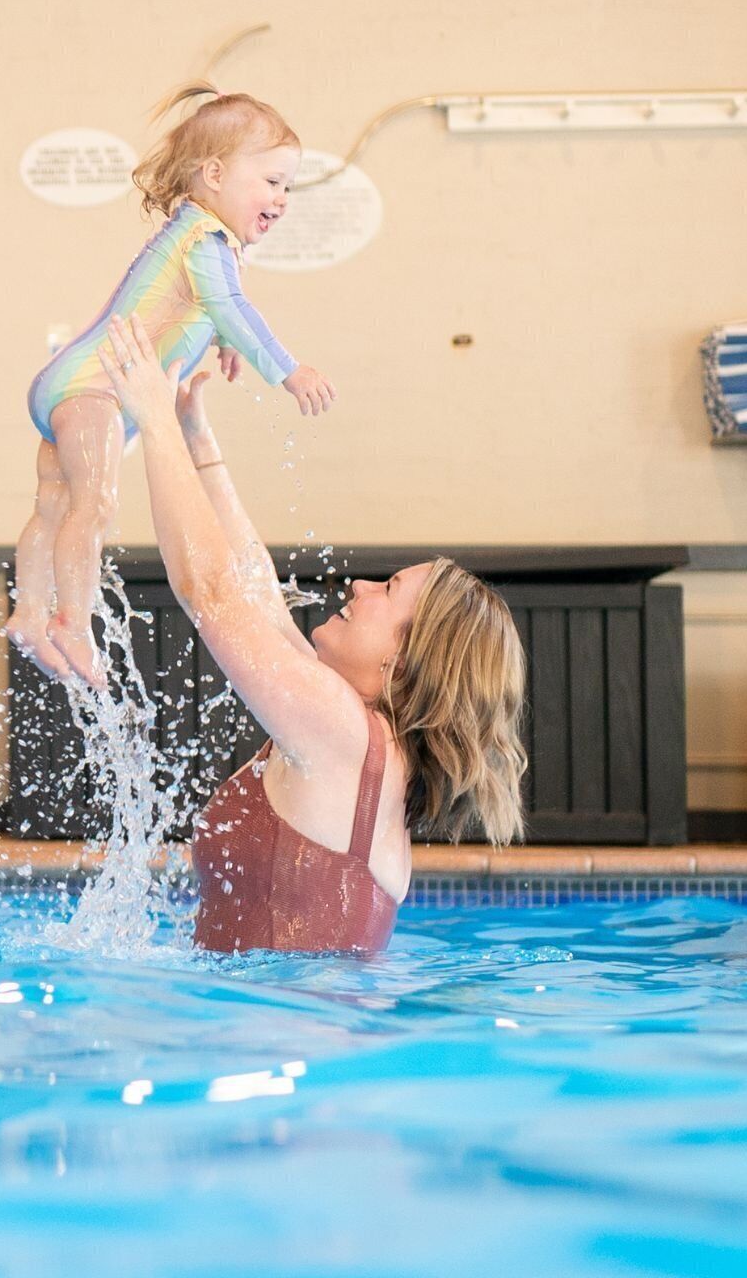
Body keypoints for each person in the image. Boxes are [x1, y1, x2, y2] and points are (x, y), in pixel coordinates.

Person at [89, 317, 529, 952]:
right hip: (293, 1027)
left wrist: (152, 421)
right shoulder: (360, 736)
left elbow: (212, 594)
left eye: (388, 592)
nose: (359, 588)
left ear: (406, 664)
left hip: (281, 1032)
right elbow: (258, 596)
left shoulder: (345, 735)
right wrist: (196, 440)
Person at [10, 86, 337, 691]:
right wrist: (287, 369)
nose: (282, 200)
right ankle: (72, 623)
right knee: (96, 504)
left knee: (53, 504)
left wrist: (227, 343)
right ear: (214, 174)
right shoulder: (204, 240)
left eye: (288, 186)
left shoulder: (197, 239)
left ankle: (30, 613)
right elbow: (228, 304)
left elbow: (205, 309)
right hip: (98, 391)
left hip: (74, 383)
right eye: (271, 182)